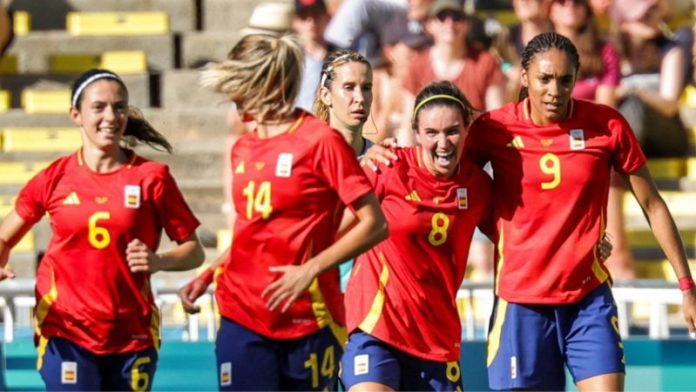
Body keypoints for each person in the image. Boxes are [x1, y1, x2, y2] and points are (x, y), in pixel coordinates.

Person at [465, 32, 696, 390]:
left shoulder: (607, 125)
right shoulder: (493, 129)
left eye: (564, 79)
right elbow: (453, 183)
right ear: (524, 77)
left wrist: (686, 286)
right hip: (520, 302)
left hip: (588, 299)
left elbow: (652, 204)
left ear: (576, 78)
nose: (554, 90)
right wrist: (495, 227)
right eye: (544, 79)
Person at [190, 34, 388, 390]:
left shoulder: (319, 141)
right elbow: (252, 233)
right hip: (242, 315)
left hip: (308, 316)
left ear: (258, 84)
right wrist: (209, 273)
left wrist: (309, 269)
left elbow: (374, 223)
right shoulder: (243, 148)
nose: (232, 98)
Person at [0, 68, 205, 390]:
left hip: (132, 333)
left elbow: (194, 250)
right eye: (99, 107)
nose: (111, 116)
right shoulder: (55, 177)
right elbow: (4, 236)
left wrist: (159, 261)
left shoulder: (152, 178)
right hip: (67, 329)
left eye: (119, 107)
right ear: (76, 115)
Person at [340, 81, 493, 391]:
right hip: (376, 327)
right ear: (416, 132)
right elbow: (330, 228)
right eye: (431, 133)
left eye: (452, 131)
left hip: (436, 338)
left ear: (467, 130)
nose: (443, 143)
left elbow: (516, 234)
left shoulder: (478, 187)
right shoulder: (388, 167)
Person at [550, 0, 636, 280]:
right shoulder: (541, 52)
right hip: (551, 157)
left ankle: (626, 321)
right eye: (561, 1)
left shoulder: (604, 51)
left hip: (596, 157)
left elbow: (605, 113)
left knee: (616, 248)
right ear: (550, 9)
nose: (570, 6)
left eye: (577, 1)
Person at [399, 0, 505, 146]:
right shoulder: (417, 66)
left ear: (467, 24)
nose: (449, 24)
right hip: (429, 157)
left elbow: (496, 121)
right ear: (430, 25)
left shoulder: (485, 62)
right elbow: (408, 124)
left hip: (475, 156)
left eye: (457, 17)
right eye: (442, 17)